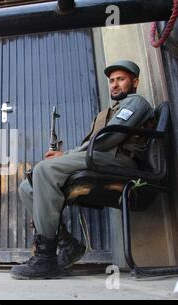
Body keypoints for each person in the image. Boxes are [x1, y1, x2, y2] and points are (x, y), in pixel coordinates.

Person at [11, 60, 154, 280]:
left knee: (43, 170)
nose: (114, 84)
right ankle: (67, 245)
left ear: (135, 82)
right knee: (26, 187)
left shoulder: (137, 103)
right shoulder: (112, 110)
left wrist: (66, 155)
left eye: (121, 79)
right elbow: (97, 144)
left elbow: (109, 139)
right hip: (100, 158)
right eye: (112, 80)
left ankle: (45, 258)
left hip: (119, 161)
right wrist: (67, 154)